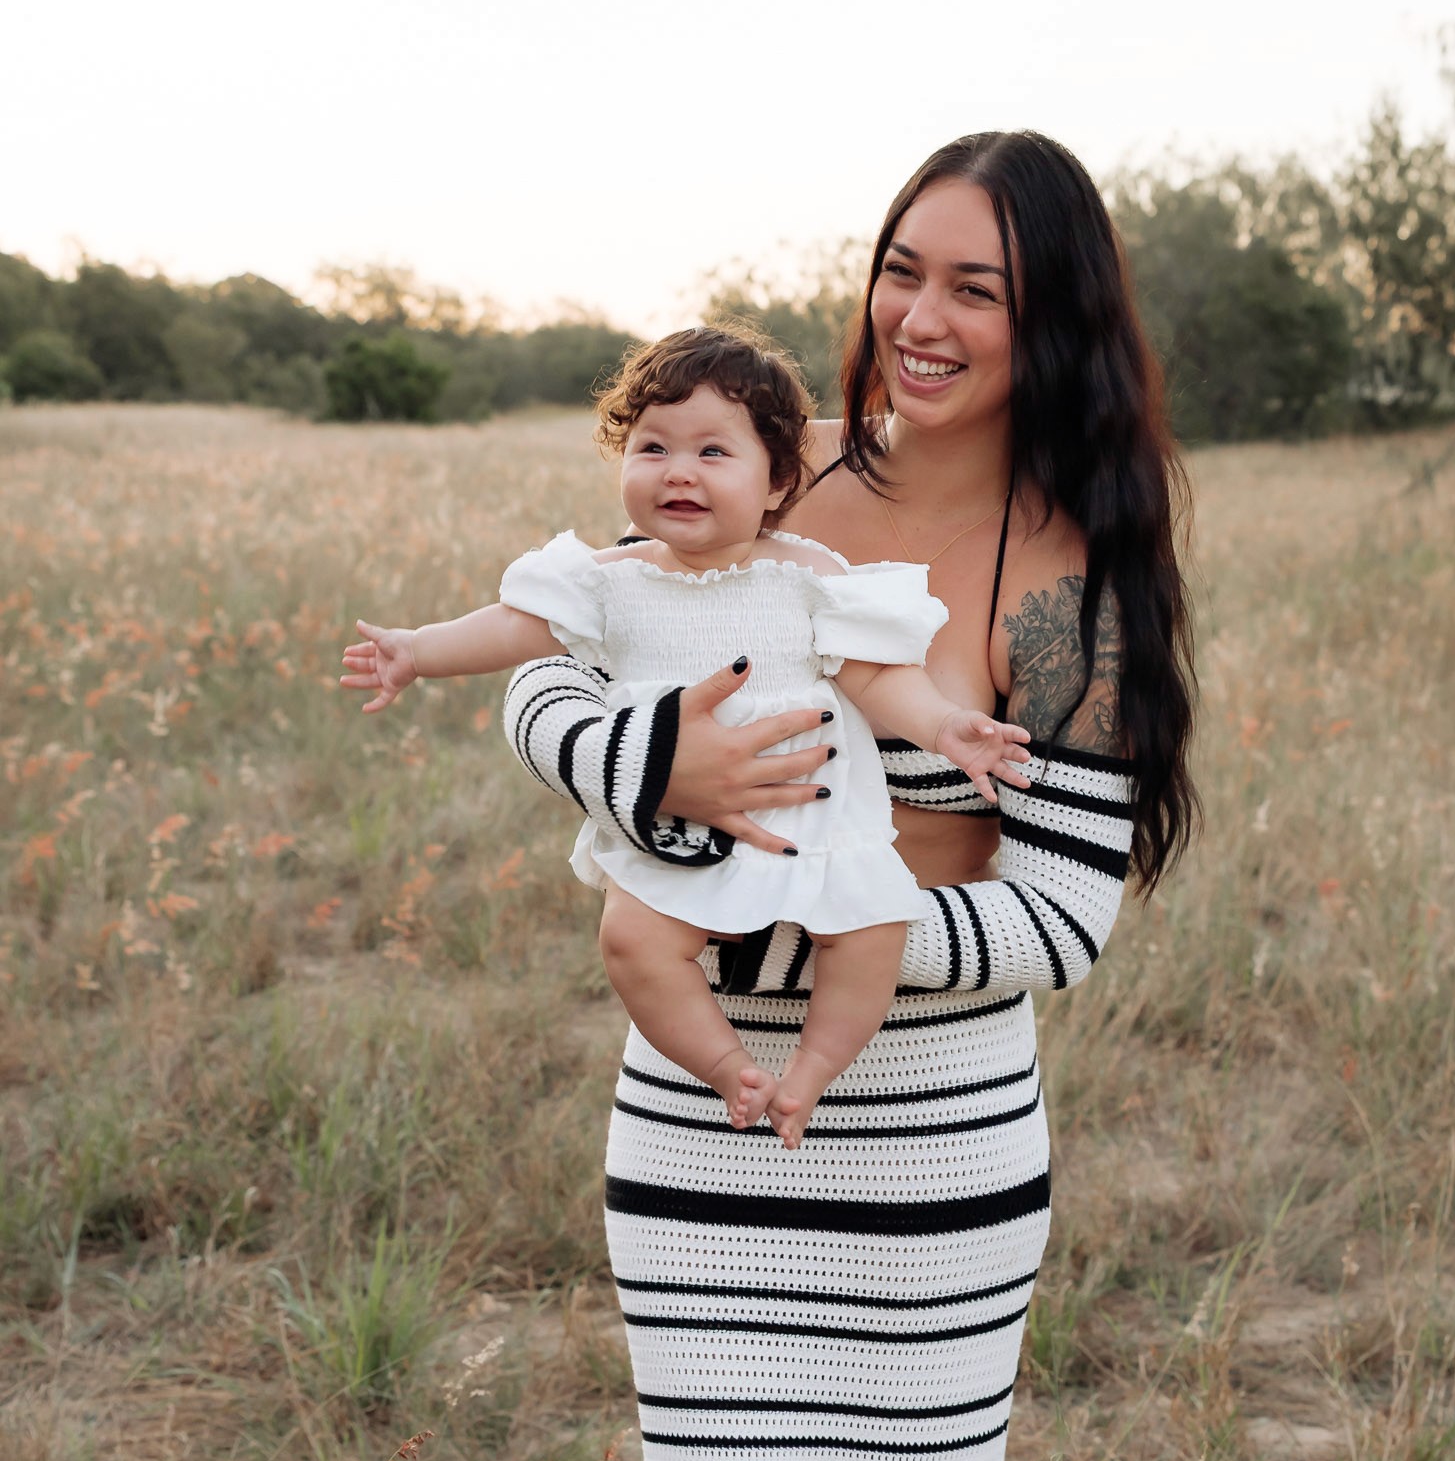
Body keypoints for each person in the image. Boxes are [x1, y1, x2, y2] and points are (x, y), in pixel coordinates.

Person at [502, 131, 1198, 1461]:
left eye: (974, 283)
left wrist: (841, 956)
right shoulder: (773, 495)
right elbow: (551, 670)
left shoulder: (1082, 579)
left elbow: (1060, 915)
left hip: (935, 1145)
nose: (918, 311)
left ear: (1049, 313)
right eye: (902, 267)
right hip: (705, 1121)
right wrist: (656, 763)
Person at [341, 328, 1031, 1147]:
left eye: (712, 452)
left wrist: (948, 726)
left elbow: (877, 676)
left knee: (873, 931)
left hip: (809, 819)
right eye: (652, 447)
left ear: (777, 480)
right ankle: (726, 1066)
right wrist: (417, 651)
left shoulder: (810, 575)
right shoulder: (613, 579)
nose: (678, 470)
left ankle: (811, 1074)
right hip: (678, 829)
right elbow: (518, 628)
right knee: (631, 940)